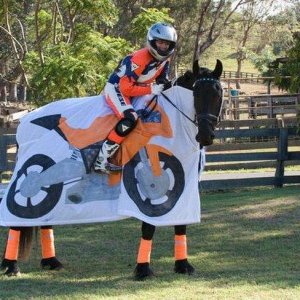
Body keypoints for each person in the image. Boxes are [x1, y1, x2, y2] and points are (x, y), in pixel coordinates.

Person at [94, 22, 177, 173]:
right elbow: (125, 88)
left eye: (167, 43)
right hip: (117, 88)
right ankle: (101, 160)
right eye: (160, 42)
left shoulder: (166, 59)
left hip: (136, 88)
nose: (163, 47)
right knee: (130, 118)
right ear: (152, 41)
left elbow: (162, 81)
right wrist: (150, 88)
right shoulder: (140, 58)